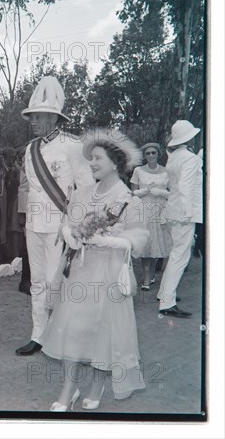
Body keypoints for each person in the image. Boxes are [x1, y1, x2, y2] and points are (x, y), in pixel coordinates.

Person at [41, 129, 148, 411]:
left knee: (103, 331)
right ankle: (69, 387)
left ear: (114, 162)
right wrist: (69, 234)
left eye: (97, 158)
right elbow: (69, 221)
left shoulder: (129, 200)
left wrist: (108, 239)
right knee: (72, 327)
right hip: (81, 268)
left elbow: (139, 239)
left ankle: (98, 385)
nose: (92, 163)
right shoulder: (83, 193)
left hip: (109, 271)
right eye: (91, 159)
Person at [16, 76, 94, 357]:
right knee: (36, 282)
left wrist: (72, 223)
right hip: (35, 225)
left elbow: (85, 187)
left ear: (53, 119)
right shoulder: (30, 149)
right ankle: (39, 335)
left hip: (60, 225)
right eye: (32, 117)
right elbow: (29, 188)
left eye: (38, 117)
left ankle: (64, 336)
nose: (33, 122)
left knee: (55, 282)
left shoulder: (73, 146)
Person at [157, 120, 202, 318]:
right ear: (189, 137)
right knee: (180, 256)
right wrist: (188, 213)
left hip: (171, 210)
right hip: (183, 212)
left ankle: (164, 293)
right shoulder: (190, 159)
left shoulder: (174, 157)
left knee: (175, 254)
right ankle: (167, 302)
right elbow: (185, 187)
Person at [130, 142, 172, 290]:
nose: (151, 155)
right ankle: (147, 276)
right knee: (145, 245)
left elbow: (173, 193)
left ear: (158, 154)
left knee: (156, 245)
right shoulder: (138, 171)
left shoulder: (166, 171)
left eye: (153, 152)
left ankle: (150, 275)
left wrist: (161, 192)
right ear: (144, 156)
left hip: (160, 210)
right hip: (144, 210)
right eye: (148, 153)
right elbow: (132, 192)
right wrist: (143, 191)